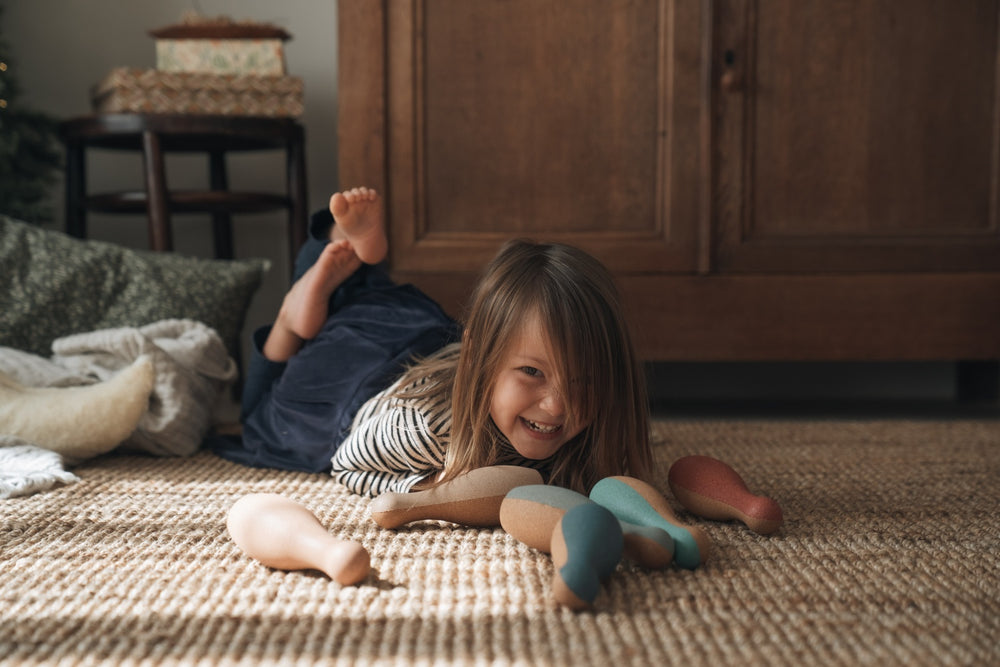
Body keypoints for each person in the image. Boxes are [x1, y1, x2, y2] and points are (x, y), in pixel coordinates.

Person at [217, 187, 653, 497]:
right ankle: (290, 319)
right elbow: (349, 463)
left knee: (359, 295)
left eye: (582, 382)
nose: (558, 406)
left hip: (406, 332)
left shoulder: (592, 419)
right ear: (480, 360)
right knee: (258, 419)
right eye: (532, 372)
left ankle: (341, 253)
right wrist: (434, 489)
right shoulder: (427, 430)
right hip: (349, 382)